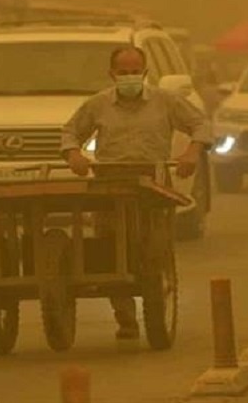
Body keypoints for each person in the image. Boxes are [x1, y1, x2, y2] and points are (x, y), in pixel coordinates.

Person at [60, 45, 212, 340]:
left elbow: (201, 124)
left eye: (134, 72)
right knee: (110, 249)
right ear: (112, 74)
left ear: (144, 73)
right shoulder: (98, 104)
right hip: (109, 188)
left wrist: (193, 152)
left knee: (154, 247)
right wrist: (73, 155)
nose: (129, 77)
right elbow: (70, 132)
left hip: (153, 186)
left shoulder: (166, 102)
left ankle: (157, 301)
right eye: (123, 72)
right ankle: (125, 316)